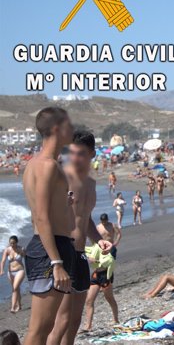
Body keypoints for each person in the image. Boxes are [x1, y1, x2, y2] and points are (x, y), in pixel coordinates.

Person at [48, 130, 113, 345]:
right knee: (62, 319)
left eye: (82, 153)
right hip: (64, 251)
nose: (76, 158)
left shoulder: (91, 184)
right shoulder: (61, 178)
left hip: (81, 254)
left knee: (75, 320)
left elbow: (85, 219)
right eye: (73, 152)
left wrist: (98, 240)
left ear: (92, 154)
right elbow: (42, 216)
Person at [21, 107, 77, 345]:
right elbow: (40, 217)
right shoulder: (47, 165)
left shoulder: (38, 164)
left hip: (53, 244)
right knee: (40, 328)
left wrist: (65, 204)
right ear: (56, 129)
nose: (73, 129)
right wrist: (56, 263)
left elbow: (48, 212)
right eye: (69, 125)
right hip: (49, 249)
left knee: (45, 327)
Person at [81, 244, 118, 331]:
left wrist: (95, 260)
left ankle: (116, 319)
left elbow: (107, 261)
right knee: (89, 300)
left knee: (109, 298)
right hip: (96, 274)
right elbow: (83, 250)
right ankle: (88, 325)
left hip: (106, 275)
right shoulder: (96, 246)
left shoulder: (111, 249)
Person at [0, 236, 25, 313]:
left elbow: (25, 257)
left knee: (15, 288)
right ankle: (19, 305)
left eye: (14, 243)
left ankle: (13, 307)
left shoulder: (21, 249)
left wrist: (23, 252)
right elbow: (3, 261)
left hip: (20, 271)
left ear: (17, 242)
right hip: (10, 272)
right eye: (11, 243)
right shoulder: (7, 250)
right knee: (16, 289)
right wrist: (1, 270)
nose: (12, 245)